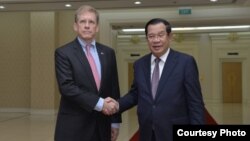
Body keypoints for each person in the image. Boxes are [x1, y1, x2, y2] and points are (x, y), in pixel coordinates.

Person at [118, 18, 205, 141]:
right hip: (147, 133)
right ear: (147, 39)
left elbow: (195, 103)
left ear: (170, 36)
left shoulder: (185, 62)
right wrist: (117, 105)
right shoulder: (139, 64)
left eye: (160, 35)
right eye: (151, 36)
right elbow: (136, 93)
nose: (156, 40)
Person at [54, 5, 121, 141]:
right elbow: (67, 87)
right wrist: (100, 104)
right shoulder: (63, 53)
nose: (87, 26)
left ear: (97, 27)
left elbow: (114, 88)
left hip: (103, 125)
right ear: (75, 26)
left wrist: (115, 121)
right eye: (82, 22)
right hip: (74, 127)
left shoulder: (108, 53)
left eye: (91, 22)